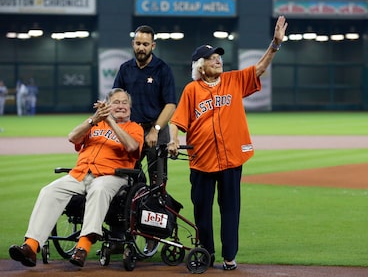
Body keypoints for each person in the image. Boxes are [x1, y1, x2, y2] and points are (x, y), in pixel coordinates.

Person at [168, 16, 288, 271]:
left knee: (230, 210)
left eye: (218, 56)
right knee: (202, 211)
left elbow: (258, 69)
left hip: (231, 158)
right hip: (201, 161)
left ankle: (230, 256)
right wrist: (174, 139)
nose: (217, 59)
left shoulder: (233, 80)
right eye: (212, 58)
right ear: (200, 66)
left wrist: (275, 45)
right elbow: (177, 121)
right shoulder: (192, 90)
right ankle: (207, 253)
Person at [8, 88, 144, 268]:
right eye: (116, 102)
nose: (121, 106)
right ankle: (31, 247)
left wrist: (110, 121)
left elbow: (132, 147)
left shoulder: (135, 128)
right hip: (81, 173)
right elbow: (73, 137)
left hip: (113, 176)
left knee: (99, 188)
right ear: (107, 105)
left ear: (130, 107)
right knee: (50, 190)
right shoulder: (95, 124)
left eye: (124, 102)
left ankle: (83, 247)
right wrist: (93, 120)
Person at [112, 24, 176, 257]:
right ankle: (120, 236)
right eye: (138, 43)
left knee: (157, 187)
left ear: (153, 46)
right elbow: (116, 100)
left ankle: (152, 236)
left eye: (145, 44)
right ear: (133, 44)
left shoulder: (162, 69)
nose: (141, 47)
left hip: (155, 134)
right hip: (130, 134)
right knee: (123, 185)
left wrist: (155, 130)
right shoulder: (125, 69)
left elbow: (170, 104)